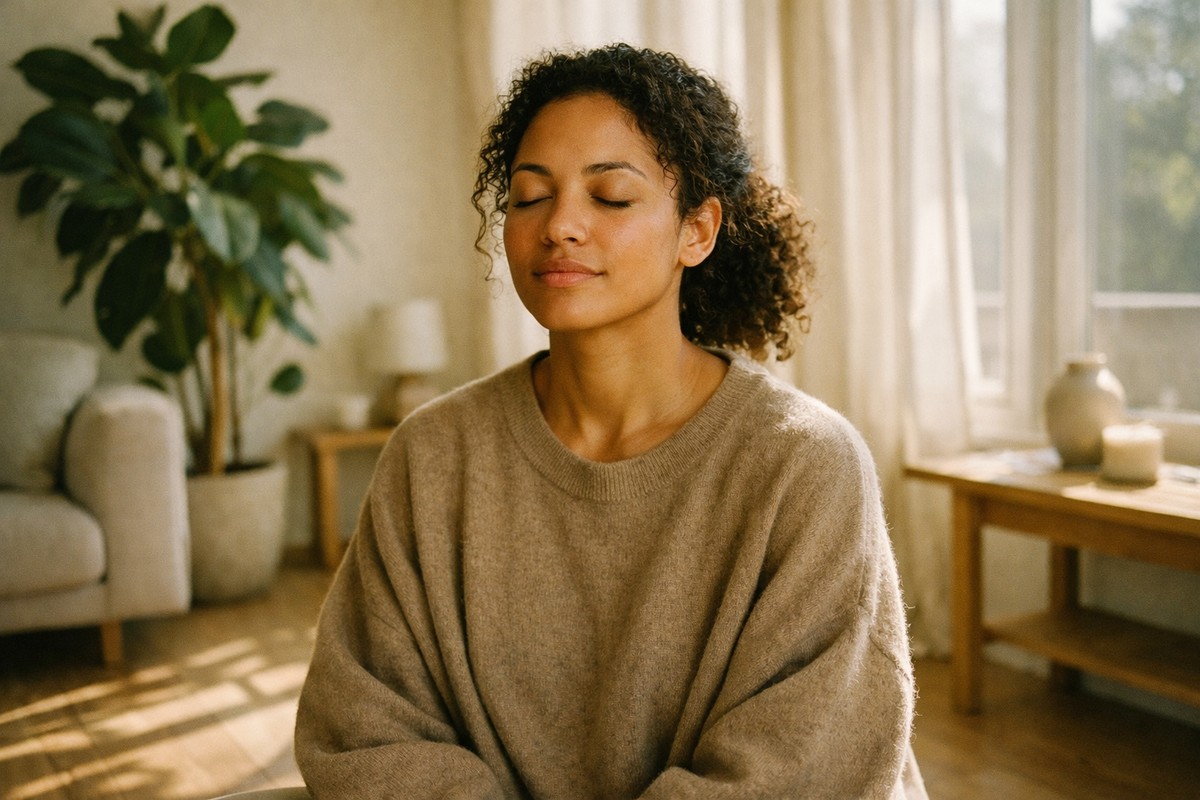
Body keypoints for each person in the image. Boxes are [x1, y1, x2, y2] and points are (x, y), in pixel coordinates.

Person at [294, 43, 926, 799]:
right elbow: (363, 725)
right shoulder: (432, 454)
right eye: (529, 197)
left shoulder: (806, 466)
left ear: (697, 231)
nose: (559, 225)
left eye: (611, 198)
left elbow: (804, 765)